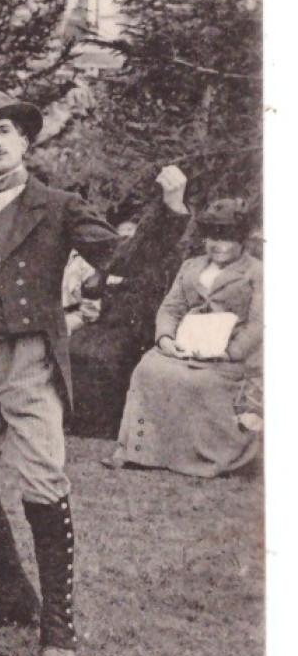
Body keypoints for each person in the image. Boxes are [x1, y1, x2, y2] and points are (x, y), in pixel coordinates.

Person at [0, 85, 190, 656]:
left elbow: (120, 261)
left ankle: (58, 621)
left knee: (43, 481)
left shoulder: (58, 204)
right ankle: (13, 593)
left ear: (25, 141)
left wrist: (171, 210)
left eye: (4, 131)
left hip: (29, 357)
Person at [108, 199, 262, 477]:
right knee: (148, 369)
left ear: (241, 240)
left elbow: (258, 323)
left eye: (225, 238)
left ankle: (204, 457)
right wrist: (166, 339)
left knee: (199, 381)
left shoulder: (256, 272)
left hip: (228, 354)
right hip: (186, 345)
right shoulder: (191, 266)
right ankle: (142, 452)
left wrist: (228, 353)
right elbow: (171, 307)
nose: (216, 244)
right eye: (211, 236)